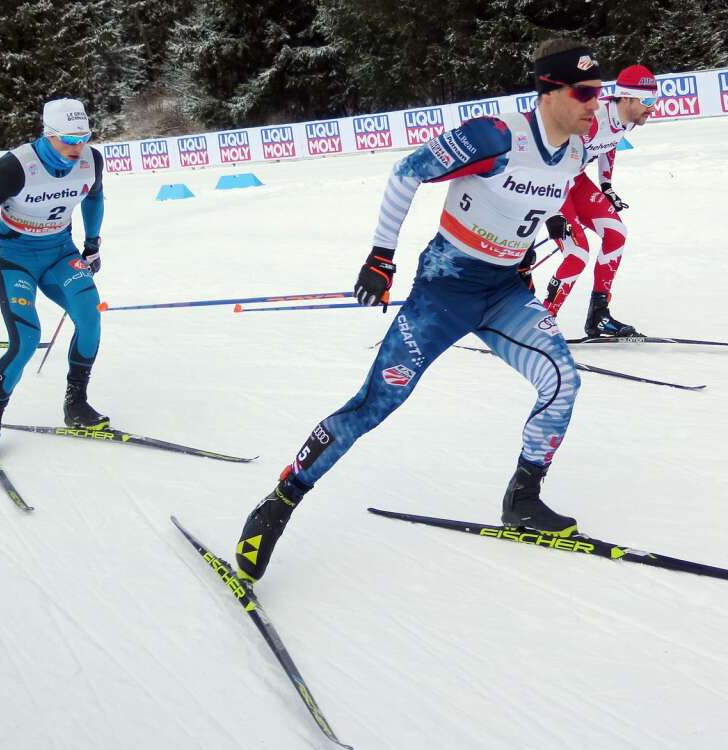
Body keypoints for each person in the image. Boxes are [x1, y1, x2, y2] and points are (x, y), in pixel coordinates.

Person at [234, 39, 604, 582]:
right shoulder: (495, 135)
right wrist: (381, 257)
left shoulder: (576, 146)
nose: (596, 103)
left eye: (599, 91)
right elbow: (407, 173)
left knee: (562, 382)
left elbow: (541, 194)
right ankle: (280, 502)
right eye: (586, 92)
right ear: (549, 91)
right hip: (443, 293)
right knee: (376, 403)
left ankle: (522, 501)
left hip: (504, 291)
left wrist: (549, 226)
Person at [0, 97, 107, 457]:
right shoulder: (16, 166)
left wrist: (92, 242)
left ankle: (76, 403)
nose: (78, 147)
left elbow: (94, 198)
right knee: (26, 340)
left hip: (60, 253)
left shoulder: (92, 160)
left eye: (83, 137)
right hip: (16, 258)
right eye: (68, 140)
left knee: (89, 319)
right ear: (48, 133)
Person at [542, 64, 659, 336]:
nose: (652, 108)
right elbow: (550, 160)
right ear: (627, 97)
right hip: (553, 183)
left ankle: (599, 315)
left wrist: (606, 185)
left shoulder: (628, 119)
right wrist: (551, 213)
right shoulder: (591, 119)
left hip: (576, 179)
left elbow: (609, 146)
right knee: (577, 252)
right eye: (647, 101)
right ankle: (541, 322)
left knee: (616, 233)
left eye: (656, 100)